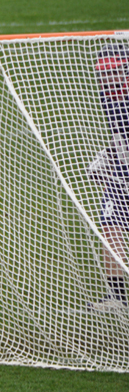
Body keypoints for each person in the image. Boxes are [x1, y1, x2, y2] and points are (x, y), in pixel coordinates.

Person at [88, 43, 129, 310]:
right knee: (110, 225)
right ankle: (118, 297)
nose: (107, 79)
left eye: (113, 72)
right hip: (121, 169)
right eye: (103, 73)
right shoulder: (108, 97)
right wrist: (108, 158)